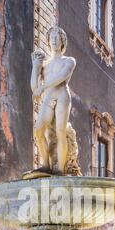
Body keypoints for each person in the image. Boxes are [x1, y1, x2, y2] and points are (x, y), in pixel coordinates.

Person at [31, 26, 76, 174]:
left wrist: (42, 87)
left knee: (60, 131)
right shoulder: (45, 65)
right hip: (49, 98)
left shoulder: (69, 61)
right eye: (52, 38)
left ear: (63, 41)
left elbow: (61, 77)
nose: (54, 40)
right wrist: (35, 68)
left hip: (62, 96)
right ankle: (46, 165)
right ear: (48, 41)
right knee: (38, 130)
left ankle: (60, 170)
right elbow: (34, 88)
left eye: (57, 38)